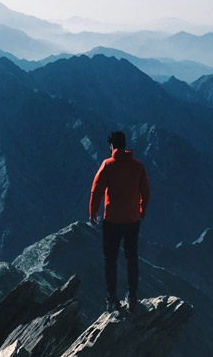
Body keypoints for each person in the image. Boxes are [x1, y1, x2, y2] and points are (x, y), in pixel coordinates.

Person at [89, 131, 150, 313]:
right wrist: (142, 211)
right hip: (132, 220)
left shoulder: (108, 165)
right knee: (132, 259)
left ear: (112, 146)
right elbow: (146, 192)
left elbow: (96, 191)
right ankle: (132, 297)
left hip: (112, 221)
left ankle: (111, 300)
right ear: (124, 145)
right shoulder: (138, 166)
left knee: (111, 261)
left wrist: (93, 213)